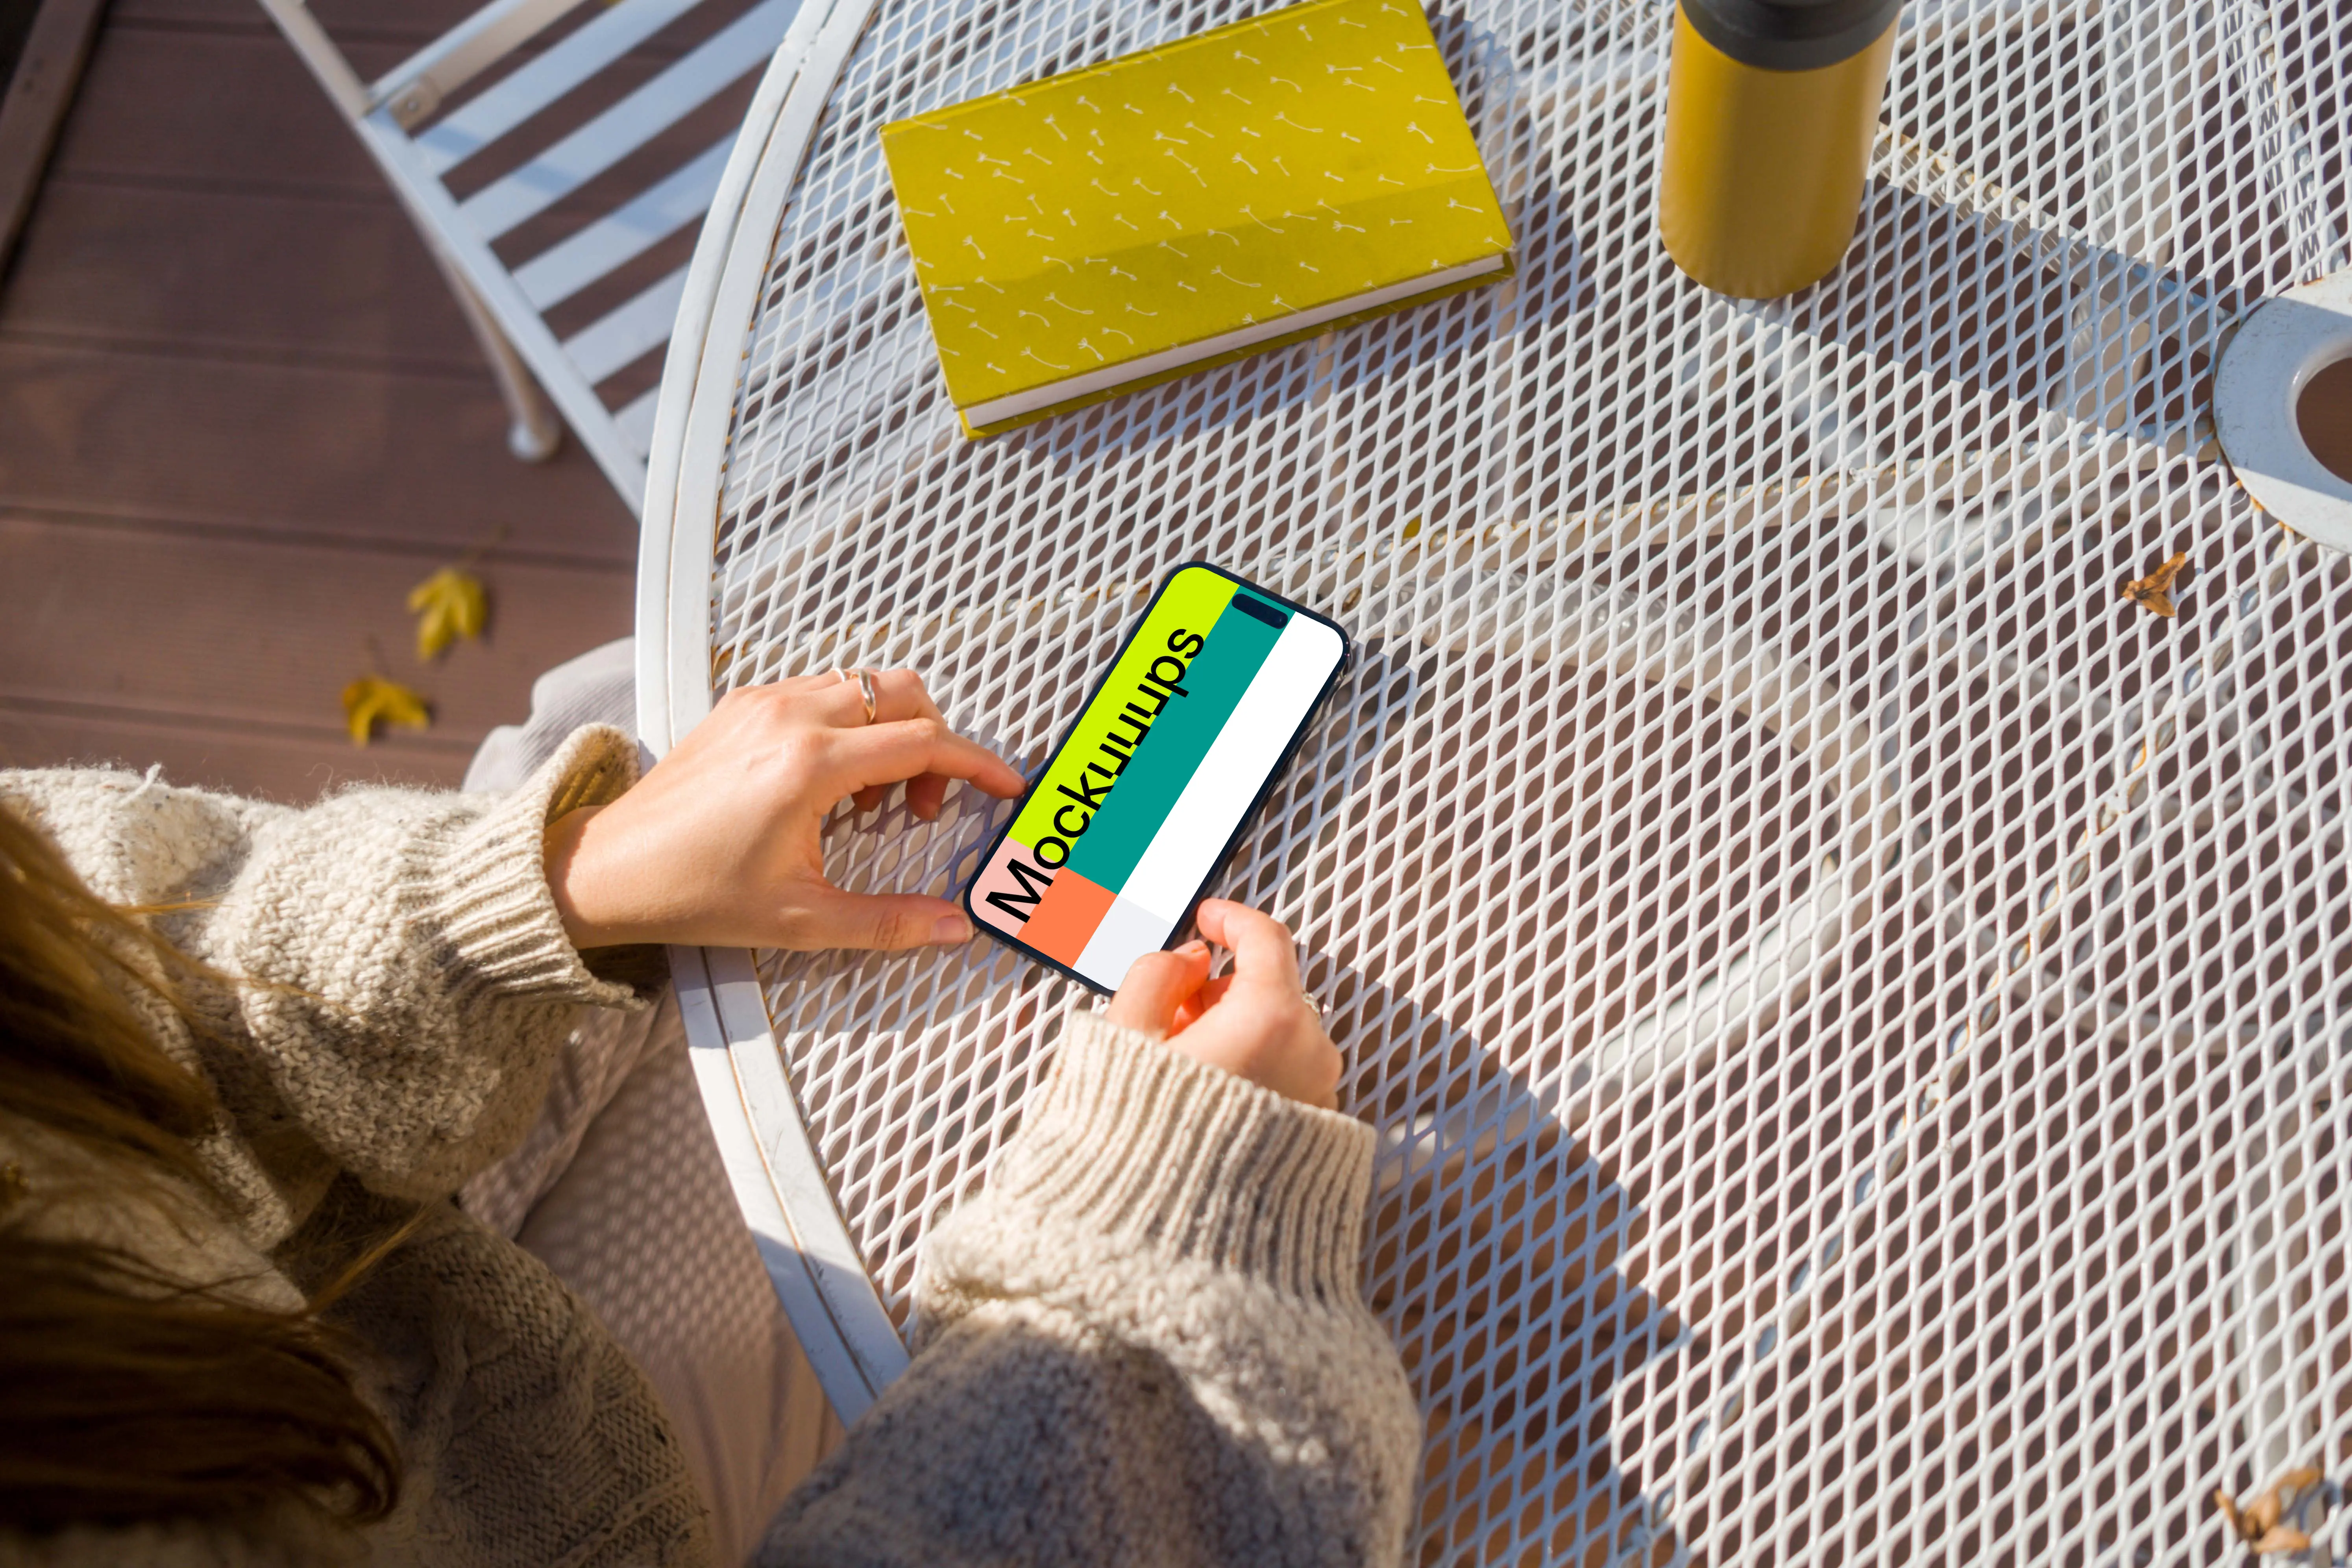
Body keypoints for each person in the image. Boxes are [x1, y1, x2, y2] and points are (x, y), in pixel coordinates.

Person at [0, 666, 1421, 1567]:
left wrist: (548, 883)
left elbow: (113, 948)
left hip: (384, 1287)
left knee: (650, 698)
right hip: (577, 1509)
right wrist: (1176, 1220)